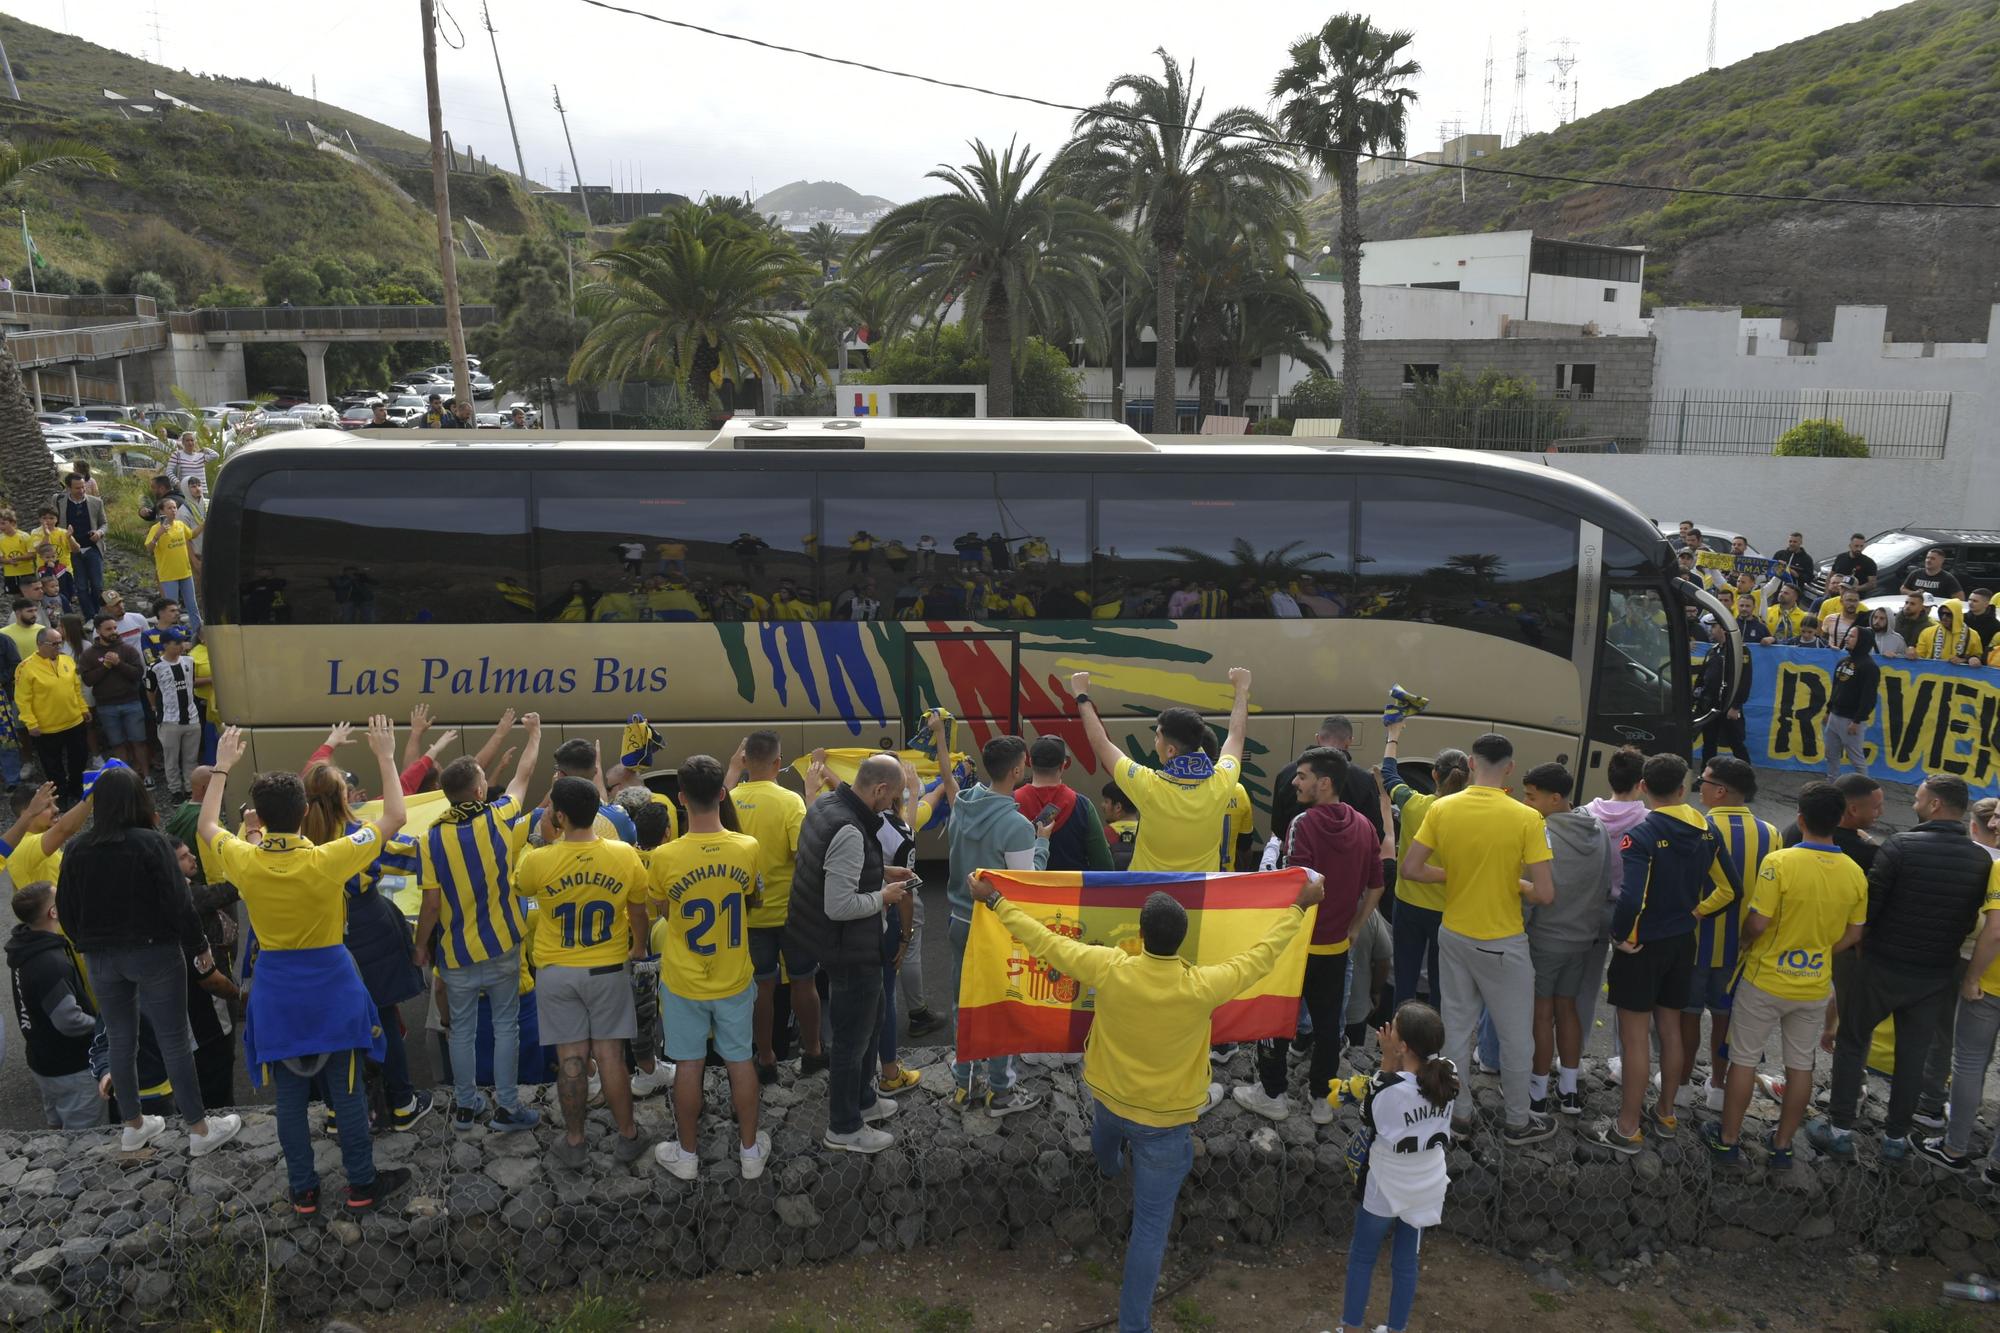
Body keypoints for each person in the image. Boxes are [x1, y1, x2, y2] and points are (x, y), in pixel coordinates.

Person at [970, 864, 1321, 1331]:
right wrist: (1300, 904)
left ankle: (1111, 1167)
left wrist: (994, 900)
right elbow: (1262, 954)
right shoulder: (1203, 986)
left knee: (1106, 1142)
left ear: (1138, 934)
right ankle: (1133, 1325)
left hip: (1110, 1100)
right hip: (1166, 1124)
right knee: (1149, 1233)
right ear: (1183, 939)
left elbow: (1044, 941)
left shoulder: (1109, 967)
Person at [198, 720, 407, 1210]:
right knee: (348, 1090)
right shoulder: (328, 859)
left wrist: (222, 767)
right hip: (333, 982)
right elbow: (395, 815)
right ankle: (361, 1185)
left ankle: (304, 1191)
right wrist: (386, 755)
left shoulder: (245, 858)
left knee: (289, 1098)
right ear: (304, 812)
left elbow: (208, 827)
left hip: (276, 986)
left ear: (260, 818)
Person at [58, 766, 239, 1156]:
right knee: (174, 1040)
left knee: (121, 1039)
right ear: (140, 800)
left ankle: (133, 1125)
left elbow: (66, 909)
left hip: (102, 958)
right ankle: (199, 1129)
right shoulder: (152, 844)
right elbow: (180, 904)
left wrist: (86, 943)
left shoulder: (76, 848)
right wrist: (199, 949)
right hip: (155, 952)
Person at [1810, 775, 1991, 1162]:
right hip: (1934, 975)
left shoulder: (1901, 846)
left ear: (1936, 805)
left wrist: (1856, 949)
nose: (1913, 803)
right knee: (1914, 1055)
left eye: (1919, 798)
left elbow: (1869, 910)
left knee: (1853, 1042)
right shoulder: (1979, 859)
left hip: (1880, 966)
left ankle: (1839, 1129)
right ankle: (1895, 1139)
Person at [1400, 733, 1558, 1145]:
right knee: (1515, 1035)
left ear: (1471, 763)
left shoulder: (1443, 808)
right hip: (1504, 942)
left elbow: (1412, 869)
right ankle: (1518, 1120)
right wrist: (1516, 884)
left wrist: (1452, 875)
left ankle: (1459, 1114)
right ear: (1509, 767)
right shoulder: (1527, 817)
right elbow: (1544, 893)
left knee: (1455, 1027)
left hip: (1454, 933)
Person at [1705, 782, 1866, 1169]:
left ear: (1800, 818)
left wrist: (1744, 942)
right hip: (1813, 985)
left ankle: (1728, 1141)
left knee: (1743, 1060)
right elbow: (1856, 933)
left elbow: (1759, 922)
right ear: (1841, 819)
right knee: (1800, 1065)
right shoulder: (1855, 872)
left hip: (1765, 978)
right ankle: (1782, 1145)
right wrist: (1822, 951)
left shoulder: (1780, 863)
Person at [1588, 753, 1737, 1154]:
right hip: (1683, 942)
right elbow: (1730, 888)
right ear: (1683, 788)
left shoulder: (1642, 834)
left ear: (1642, 787)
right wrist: (1697, 911)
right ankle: (1667, 1114)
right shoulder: (1706, 829)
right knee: (1670, 1030)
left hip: (1642, 944)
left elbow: (1632, 897)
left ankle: (1627, 1126)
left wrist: (1621, 937)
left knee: (1635, 1038)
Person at [410, 714, 546, 1133]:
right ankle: (507, 1107)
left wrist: (420, 946)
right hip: (503, 945)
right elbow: (524, 773)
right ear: (480, 789)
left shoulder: (431, 837)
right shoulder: (501, 816)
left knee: (462, 1031)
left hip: (455, 954)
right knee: (506, 1026)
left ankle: (466, 1108)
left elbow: (430, 904)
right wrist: (534, 733)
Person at [1238, 746, 1380, 1123]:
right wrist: (1353, 927)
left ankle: (1273, 1093)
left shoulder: (1302, 823)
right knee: (1329, 1024)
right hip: (1336, 947)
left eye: (1302, 776)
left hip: (1296, 945)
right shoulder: (1365, 825)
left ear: (1325, 782)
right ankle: (1322, 1099)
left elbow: (1295, 886)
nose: (1295, 782)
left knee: (1277, 1016)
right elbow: (1377, 884)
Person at [515, 776, 651, 1170]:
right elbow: (639, 912)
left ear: (559, 816)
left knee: (571, 1058)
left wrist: (543, 839)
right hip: (608, 967)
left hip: (557, 971)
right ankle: (627, 1135)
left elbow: (522, 885)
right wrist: (638, 948)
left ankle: (575, 1141)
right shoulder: (625, 855)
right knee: (611, 1055)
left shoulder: (539, 860)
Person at [647, 756, 769, 1180]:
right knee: (740, 1061)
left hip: (684, 979)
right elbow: (754, 896)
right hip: (734, 976)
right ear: (722, 794)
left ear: (680, 799)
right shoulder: (747, 847)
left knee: (688, 1065)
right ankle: (751, 1152)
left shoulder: (663, 856)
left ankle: (687, 1154)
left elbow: (662, 906)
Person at [785, 754, 913, 1153]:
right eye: (891, 799)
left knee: (870, 1022)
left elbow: (832, 869)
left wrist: (880, 872)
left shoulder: (826, 804)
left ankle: (865, 1100)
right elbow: (838, 905)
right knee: (851, 1040)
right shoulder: (851, 829)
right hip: (848, 949)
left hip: (838, 943)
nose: (891, 807)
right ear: (878, 790)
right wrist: (885, 895)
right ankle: (843, 1125)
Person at [296, 761, 431, 1136]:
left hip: (321, 936)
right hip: (371, 928)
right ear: (344, 798)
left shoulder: (297, 841)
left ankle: (341, 1111)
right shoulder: (360, 834)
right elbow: (411, 851)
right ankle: (402, 1103)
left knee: (332, 1025)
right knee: (383, 1017)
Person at [1335, 1001, 1459, 1333]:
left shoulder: (1389, 1089)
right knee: (1405, 1263)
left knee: (1362, 1256)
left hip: (1386, 1183)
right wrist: (1398, 1058)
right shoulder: (1449, 1073)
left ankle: (1350, 1328)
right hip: (1427, 1184)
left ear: (1402, 1045)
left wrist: (1388, 1061)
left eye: (1394, 1027)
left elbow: (1366, 1113)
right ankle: (1395, 1329)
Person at [945, 735, 1052, 1114]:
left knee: (964, 1006)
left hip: (958, 920)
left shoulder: (962, 803)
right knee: (1000, 1007)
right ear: (1018, 769)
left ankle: (962, 1086)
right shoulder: (1017, 825)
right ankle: (1000, 1092)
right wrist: (1042, 844)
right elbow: (1024, 886)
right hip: (994, 928)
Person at [1070, 666, 1251, 874]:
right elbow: (1236, 737)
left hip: (1147, 897)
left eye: (1157, 736)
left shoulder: (1147, 786)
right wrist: (1241, 689)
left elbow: (1101, 743)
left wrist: (1081, 696)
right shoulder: (1221, 783)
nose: (1155, 742)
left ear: (1171, 750)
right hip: (1198, 899)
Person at [724, 731, 824, 1084]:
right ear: (778, 763)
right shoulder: (790, 802)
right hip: (791, 912)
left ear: (745, 760)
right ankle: (812, 1050)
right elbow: (804, 853)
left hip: (748, 916)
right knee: (803, 981)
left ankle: (765, 1057)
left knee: (761, 987)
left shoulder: (730, 800)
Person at [1681, 757, 1778, 1112]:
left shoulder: (1697, 827)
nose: (1700, 787)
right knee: (1725, 1016)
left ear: (1720, 790)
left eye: (1704, 781)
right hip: (1741, 948)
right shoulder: (1771, 833)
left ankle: (1680, 1085)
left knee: (1688, 1013)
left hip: (1695, 942)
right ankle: (1719, 1087)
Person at [1517, 762, 1614, 1118]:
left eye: (1531, 796)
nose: (1526, 803)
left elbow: (1533, 891)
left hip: (1545, 937)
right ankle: (1570, 1089)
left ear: (1555, 798)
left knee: (1541, 1014)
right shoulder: (1597, 827)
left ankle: (1537, 1092)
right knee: (1568, 1008)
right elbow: (1605, 882)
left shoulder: (1540, 832)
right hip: (1583, 936)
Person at [1916, 801, 2000, 1182]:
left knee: (1967, 1062)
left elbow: (1995, 931)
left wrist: (1972, 978)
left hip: (1990, 984)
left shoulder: (1998, 867)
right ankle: (1996, 1167)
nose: (1995, 821)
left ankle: (1954, 1148)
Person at [1377, 720, 1469, 1008]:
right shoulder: (1472, 815)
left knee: (1405, 975)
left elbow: (1389, 774)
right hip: (1448, 909)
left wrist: (1393, 735)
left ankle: (1400, 1035)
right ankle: (1436, 1039)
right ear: (1467, 779)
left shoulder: (1413, 803)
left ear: (1433, 774)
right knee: (1442, 980)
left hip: (1408, 903)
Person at [7, 881, 101, 1129]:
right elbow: (69, 1021)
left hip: (43, 1061)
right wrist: (104, 1025)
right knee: (86, 1139)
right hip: (71, 1068)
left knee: (57, 1131)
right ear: (53, 913)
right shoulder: (50, 963)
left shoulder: (23, 949)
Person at [1272, 714, 1383, 844]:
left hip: (1299, 856)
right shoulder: (1364, 780)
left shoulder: (1286, 773)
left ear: (1318, 738)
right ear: (1349, 741)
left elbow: (1278, 828)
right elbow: (1375, 834)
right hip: (1346, 858)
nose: (1296, 781)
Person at [1014, 735, 1113, 872]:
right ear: (1063, 765)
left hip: (1024, 891)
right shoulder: (1083, 806)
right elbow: (1104, 864)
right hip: (1071, 892)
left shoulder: (1011, 803)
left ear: (1030, 762)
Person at [17, 627, 89, 806]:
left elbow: (76, 688)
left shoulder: (67, 660)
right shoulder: (25, 667)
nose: (59, 647)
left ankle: (77, 790)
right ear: (40, 644)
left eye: (60, 642)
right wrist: (30, 723)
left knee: (78, 759)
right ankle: (61, 797)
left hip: (74, 721)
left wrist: (83, 708)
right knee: (53, 766)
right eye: (54, 644)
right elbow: (22, 699)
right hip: (47, 727)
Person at [80, 613, 146, 777]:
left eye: (115, 627)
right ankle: (126, 776)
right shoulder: (89, 654)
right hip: (106, 706)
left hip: (131, 702)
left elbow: (138, 673)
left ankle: (146, 775)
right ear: (98, 631)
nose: (113, 631)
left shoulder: (127, 649)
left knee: (139, 740)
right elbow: (87, 680)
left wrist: (119, 664)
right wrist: (106, 666)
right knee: (117, 743)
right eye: (108, 629)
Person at [149, 628, 202, 801]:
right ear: (165, 645)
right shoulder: (155, 667)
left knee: (191, 757)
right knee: (171, 758)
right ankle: (175, 790)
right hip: (169, 720)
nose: (181, 646)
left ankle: (190, 787)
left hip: (191, 717)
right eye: (176, 643)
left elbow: (191, 683)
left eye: (182, 642)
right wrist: (154, 708)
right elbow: (150, 689)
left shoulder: (189, 661)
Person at [1824, 625, 1880, 780]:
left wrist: (1857, 720)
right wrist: (1829, 710)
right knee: (1831, 754)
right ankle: (1832, 783)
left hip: (1851, 720)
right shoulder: (1843, 662)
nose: (1847, 638)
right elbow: (1836, 688)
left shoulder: (1869, 667)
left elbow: (1869, 697)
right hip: (1835, 716)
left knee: (1856, 758)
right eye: (1848, 635)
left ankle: (1867, 790)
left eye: (1852, 636)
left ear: (1862, 640)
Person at [1696, 614, 1753, 764]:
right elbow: (1703, 676)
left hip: (1728, 705)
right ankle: (1705, 776)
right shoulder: (1713, 650)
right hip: (1710, 705)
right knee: (1709, 743)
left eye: (1714, 626)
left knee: (1735, 743)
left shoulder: (1740, 650)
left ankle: (1747, 777)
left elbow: (1744, 680)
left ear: (1723, 629)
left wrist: (1736, 706)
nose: (1711, 630)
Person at [551, 738, 634, 841]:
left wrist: (554, 793)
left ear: (560, 776)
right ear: (595, 772)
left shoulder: (540, 821)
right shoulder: (619, 817)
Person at [144, 498, 203, 636]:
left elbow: (192, 534)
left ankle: (198, 633)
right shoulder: (155, 529)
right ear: (162, 511)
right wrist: (157, 536)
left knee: (192, 606)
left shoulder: (180, 525)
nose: (173, 510)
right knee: (172, 609)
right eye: (169, 508)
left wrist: (204, 524)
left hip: (185, 573)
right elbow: (149, 549)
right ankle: (174, 636)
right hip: (168, 575)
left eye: (175, 507)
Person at [52, 472, 106, 620]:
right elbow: (53, 521)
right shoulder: (59, 501)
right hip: (72, 550)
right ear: (68, 488)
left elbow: (104, 523)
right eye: (77, 488)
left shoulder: (96, 502)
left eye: (83, 487)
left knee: (97, 585)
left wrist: (99, 533)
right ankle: (89, 617)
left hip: (92, 548)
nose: (81, 490)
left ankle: (98, 614)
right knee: (81, 587)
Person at [1915, 597, 1983, 664]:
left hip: (1959, 674)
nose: (1944, 617)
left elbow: (1978, 658)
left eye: (1948, 614)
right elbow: (1918, 657)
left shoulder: (1973, 635)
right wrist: (1912, 653)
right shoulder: (1927, 632)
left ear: (1957, 615)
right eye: (1942, 613)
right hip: (1930, 674)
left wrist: (1965, 660)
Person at [1101, 783, 1138, 871]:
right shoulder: (1147, 833)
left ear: (1118, 807)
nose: (1102, 805)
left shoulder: (1104, 834)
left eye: (1106, 801)